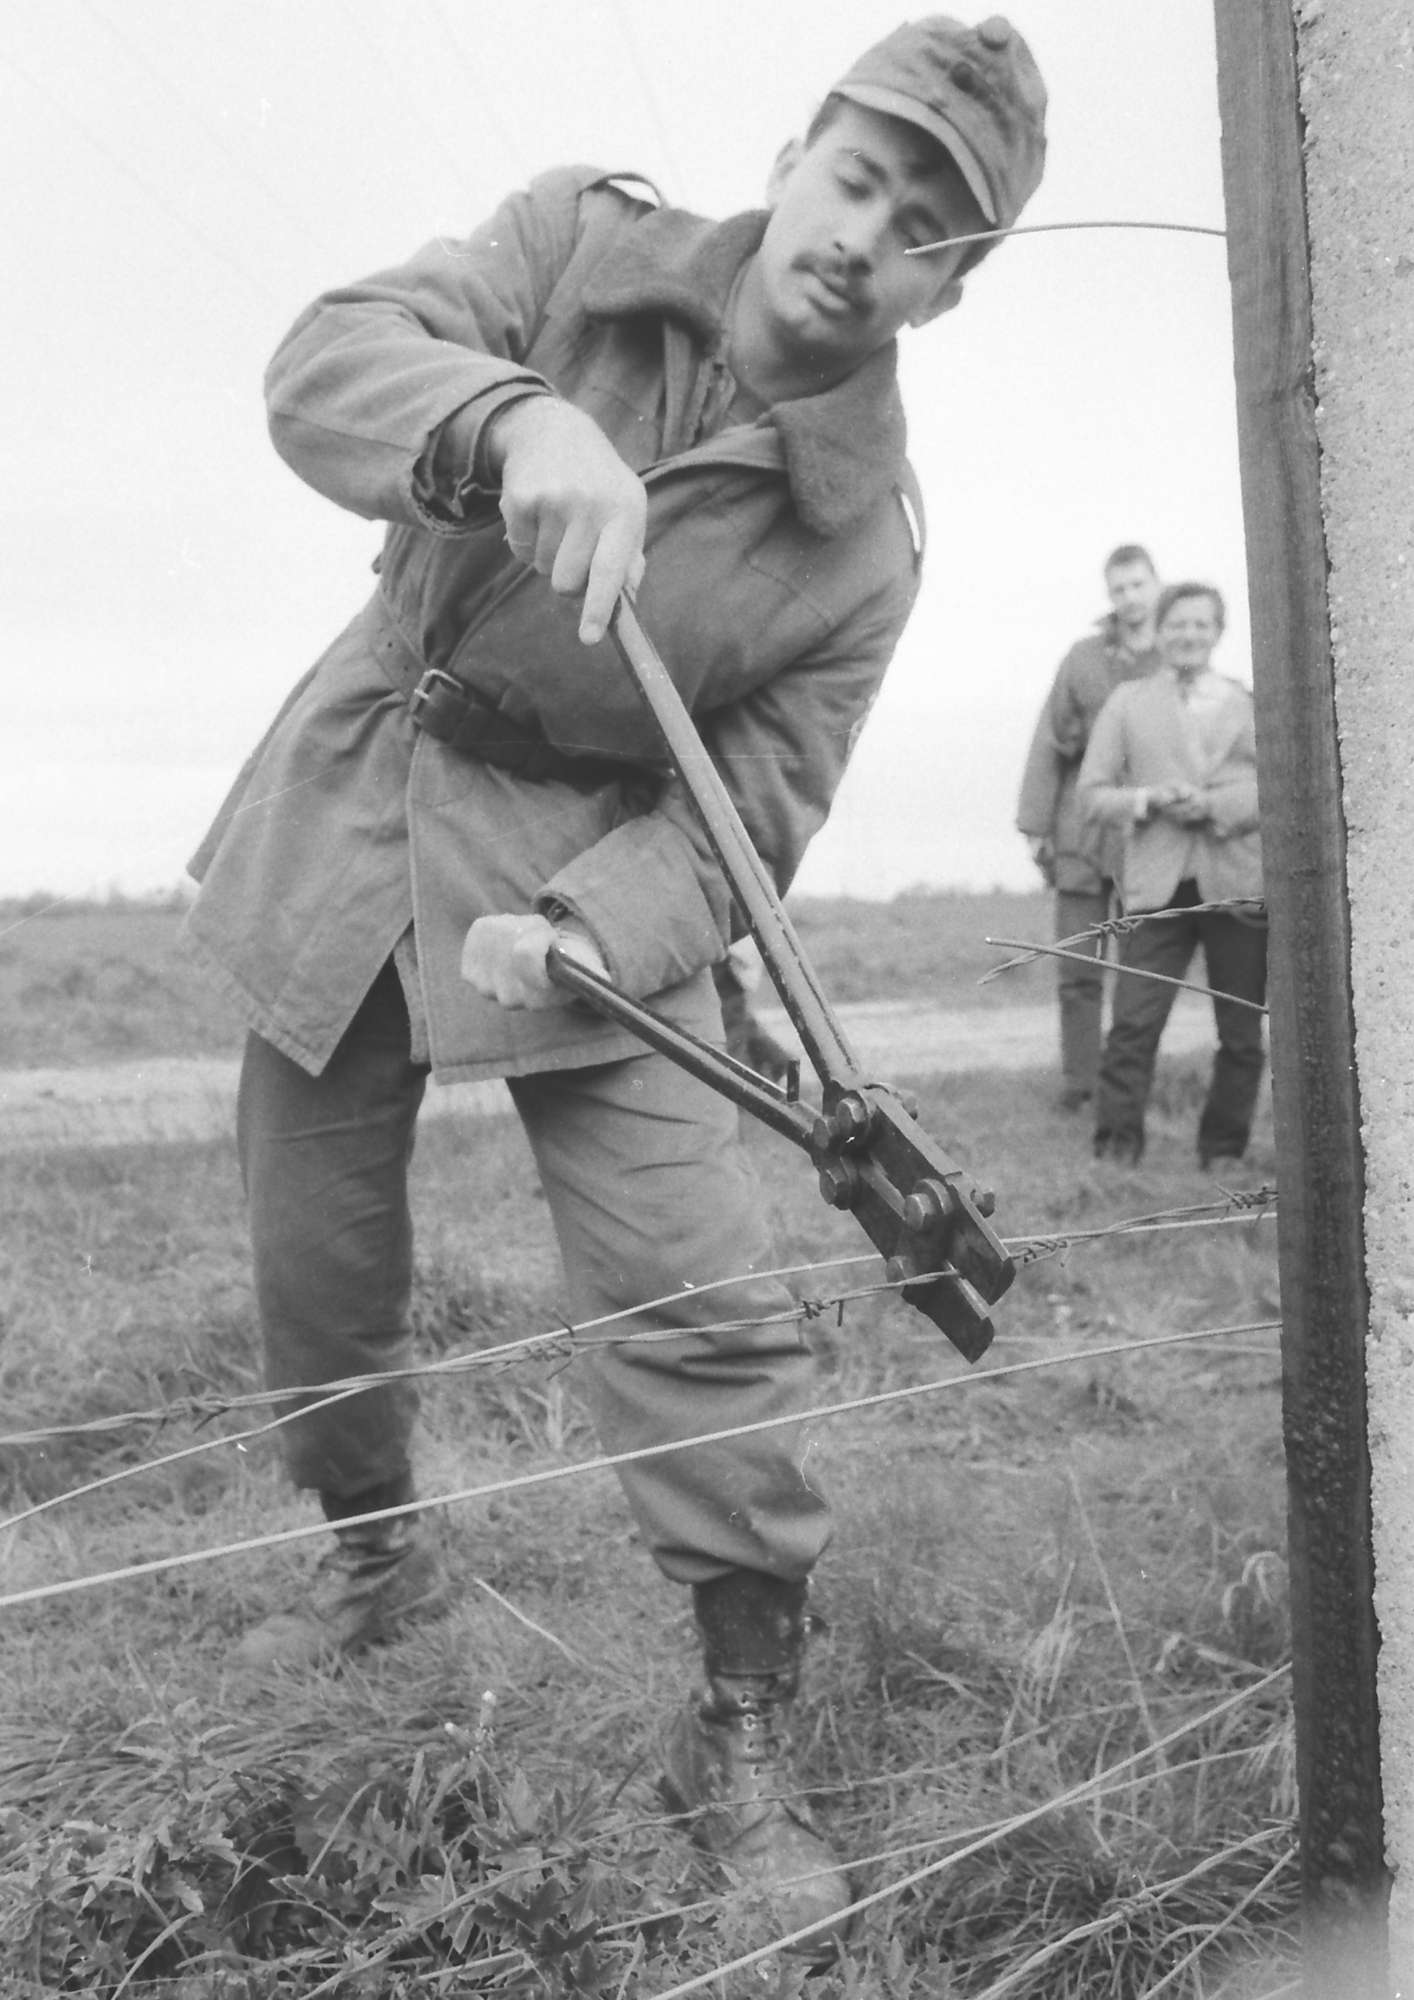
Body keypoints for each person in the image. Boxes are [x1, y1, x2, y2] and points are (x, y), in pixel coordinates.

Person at [182, 15, 1047, 1951]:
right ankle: (375, 1573)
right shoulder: (574, 240)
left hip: (591, 883)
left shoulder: (865, 549)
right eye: (855, 173)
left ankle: (739, 1727)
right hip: (360, 798)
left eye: (921, 224)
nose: (860, 234)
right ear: (800, 145)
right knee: (317, 1272)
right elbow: (322, 357)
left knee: (697, 1285)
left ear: (954, 281)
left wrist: (593, 923)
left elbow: (752, 802)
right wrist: (510, 418)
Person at [1078, 581, 1266, 1169]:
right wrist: (1151, 799)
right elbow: (1092, 795)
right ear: (1158, 632)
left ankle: (1223, 1151)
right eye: (1177, 624)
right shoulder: (1128, 703)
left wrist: (1213, 807)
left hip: (1237, 887)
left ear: (1218, 632)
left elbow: (1278, 788)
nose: (1188, 635)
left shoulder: (1248, 702)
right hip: (1156, 890)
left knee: (1240, 1033)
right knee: (1132, 1024)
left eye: (1201, 625)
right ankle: (1115, 1149)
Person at [1015, 545, 1162, 1108]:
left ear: (1155, 586)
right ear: (1109, 595)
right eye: (1119, 588)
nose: (1129, 598)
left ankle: (1128, 1084)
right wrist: (1035, 824)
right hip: (1079, 831)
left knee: (1143, 967)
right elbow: (1048, 740)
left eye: (1138, 585)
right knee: (1077, 963)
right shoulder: (1081, 658)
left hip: (1146, 837)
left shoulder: (1174, 659)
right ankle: (1080, 1084)